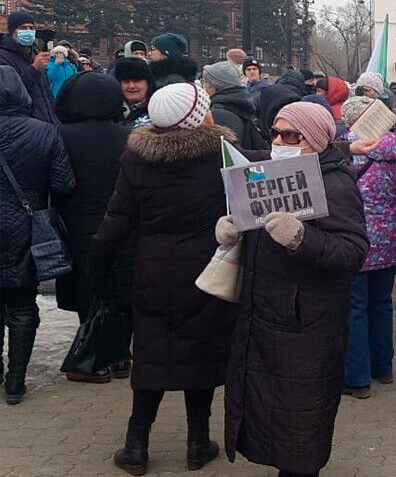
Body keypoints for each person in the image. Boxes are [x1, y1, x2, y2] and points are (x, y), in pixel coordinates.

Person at [90, 83, 238, 474]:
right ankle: (197, 443)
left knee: (151, 357)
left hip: (152, 271)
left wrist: (98, 268)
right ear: (196, 117)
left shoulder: (137, 158)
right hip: (207, 271)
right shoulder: (220, 158)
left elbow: (117, 220)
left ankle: (135, 447)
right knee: (200, 355)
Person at [218, 101, 369, 477]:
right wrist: (231, 233)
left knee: (301, 422)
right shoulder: (266, 173)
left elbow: (354, 252)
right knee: (272, 413)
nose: (279, 141)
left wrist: (303, 237)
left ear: (315, 139)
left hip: (307, 324)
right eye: (275, 133)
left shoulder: (336, 182)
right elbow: (256, 230)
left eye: (291, 135)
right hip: (264, 314)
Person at [54, 71, 134, 383]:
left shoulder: (61, 134)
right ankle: (118, 355)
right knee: (118, 291)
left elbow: (58, 182)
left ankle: (91, 356)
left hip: (76, 226)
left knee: (87, 293)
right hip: (120, 225)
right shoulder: (128, 136)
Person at [0, 70, 74, 405]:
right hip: (24, 231)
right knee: (22, 305)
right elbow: (63, 184)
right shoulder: (45, 132)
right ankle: (15, 380)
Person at [340, 97, 396, 398]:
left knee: (355, 307)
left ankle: (357, 379)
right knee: (381, 304)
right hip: (390, 243)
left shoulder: (346, 154)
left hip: (355, 241)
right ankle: (383, 368)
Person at [0, 10, 56, 124]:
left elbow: (46, 94)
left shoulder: (34, 53)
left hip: (46, 122)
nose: (28, 31)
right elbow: (10, 92)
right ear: (12, 31)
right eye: (23, 28)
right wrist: (34, 69)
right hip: (24, 125)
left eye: (31, 28)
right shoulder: (3, 56)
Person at [201, 61, 268, 150]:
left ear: (213, 86)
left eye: (205, 83)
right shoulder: (242, 104)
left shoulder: (216, 115)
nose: (204, 86)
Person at [116, 58, 155, 128]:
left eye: (137, 81)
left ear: (148, 83)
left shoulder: (157, 109)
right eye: (126, 81)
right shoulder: (110, 110)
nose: (131, 86)